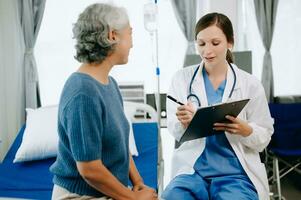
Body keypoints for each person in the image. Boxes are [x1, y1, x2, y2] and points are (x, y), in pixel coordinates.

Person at [50, 3, 158, 200]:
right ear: (112, 35)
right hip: (81, 195)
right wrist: (133, 198)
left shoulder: (110, 84)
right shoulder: (82, 93)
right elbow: (89, 169)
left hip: (109, 191)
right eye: (130, 33)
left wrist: (138, 184)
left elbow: (120, 146)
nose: (132, 43)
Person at [162, 13, 274, 200]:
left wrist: (246, 130)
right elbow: (174, 129)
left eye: (215, 43)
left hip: (235, 174)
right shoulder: (181, 79)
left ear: (230, 43)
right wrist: (184, 123)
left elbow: (264, 136)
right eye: (201, 44)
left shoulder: (250, 84)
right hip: (193, 171)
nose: (207, 51)